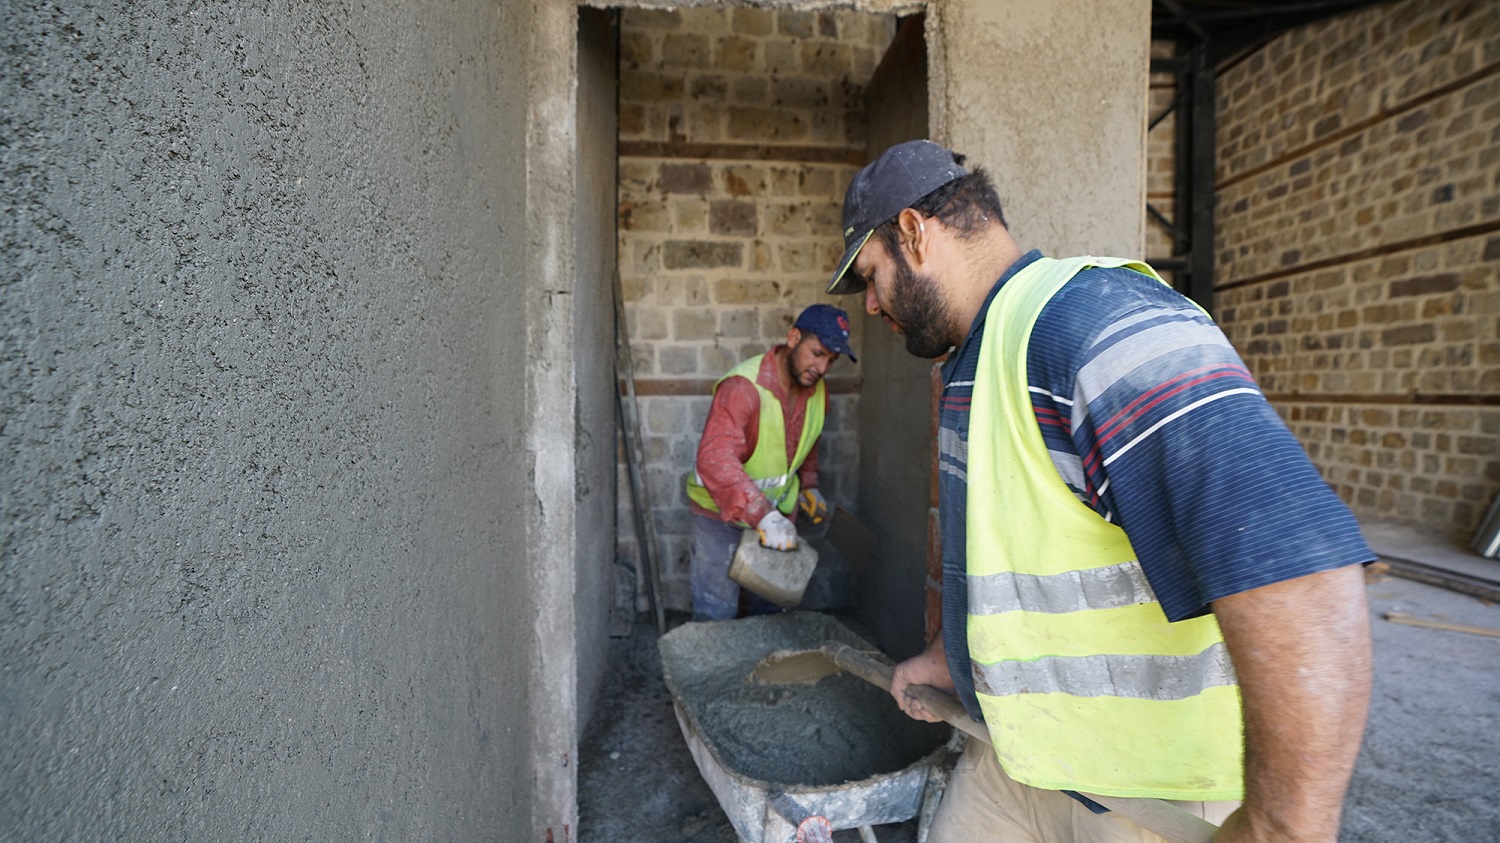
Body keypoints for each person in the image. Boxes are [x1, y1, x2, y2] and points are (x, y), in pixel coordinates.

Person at [825, 139, 1374, 842]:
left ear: (913, 233)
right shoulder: (975, 361)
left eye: (870, 276)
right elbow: (1010, 562)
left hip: (1151, 799)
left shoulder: (1086, 326)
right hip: (1022, 763)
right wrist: (947, 658)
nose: (870, 305)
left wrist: (1282, 824)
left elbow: (1299, 567)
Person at [683, 303, 857, 621]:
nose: (822, 368)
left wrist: (810, 486)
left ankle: (761, 671)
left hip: (774, 517)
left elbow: (809, 441)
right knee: (716, 615)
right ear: (793, 338)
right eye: (817, 353)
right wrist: (763, 515)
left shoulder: (817, 391)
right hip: (718, 519)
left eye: (831, 360)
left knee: (772, 613)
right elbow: (715, 459)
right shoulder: (743, 389)